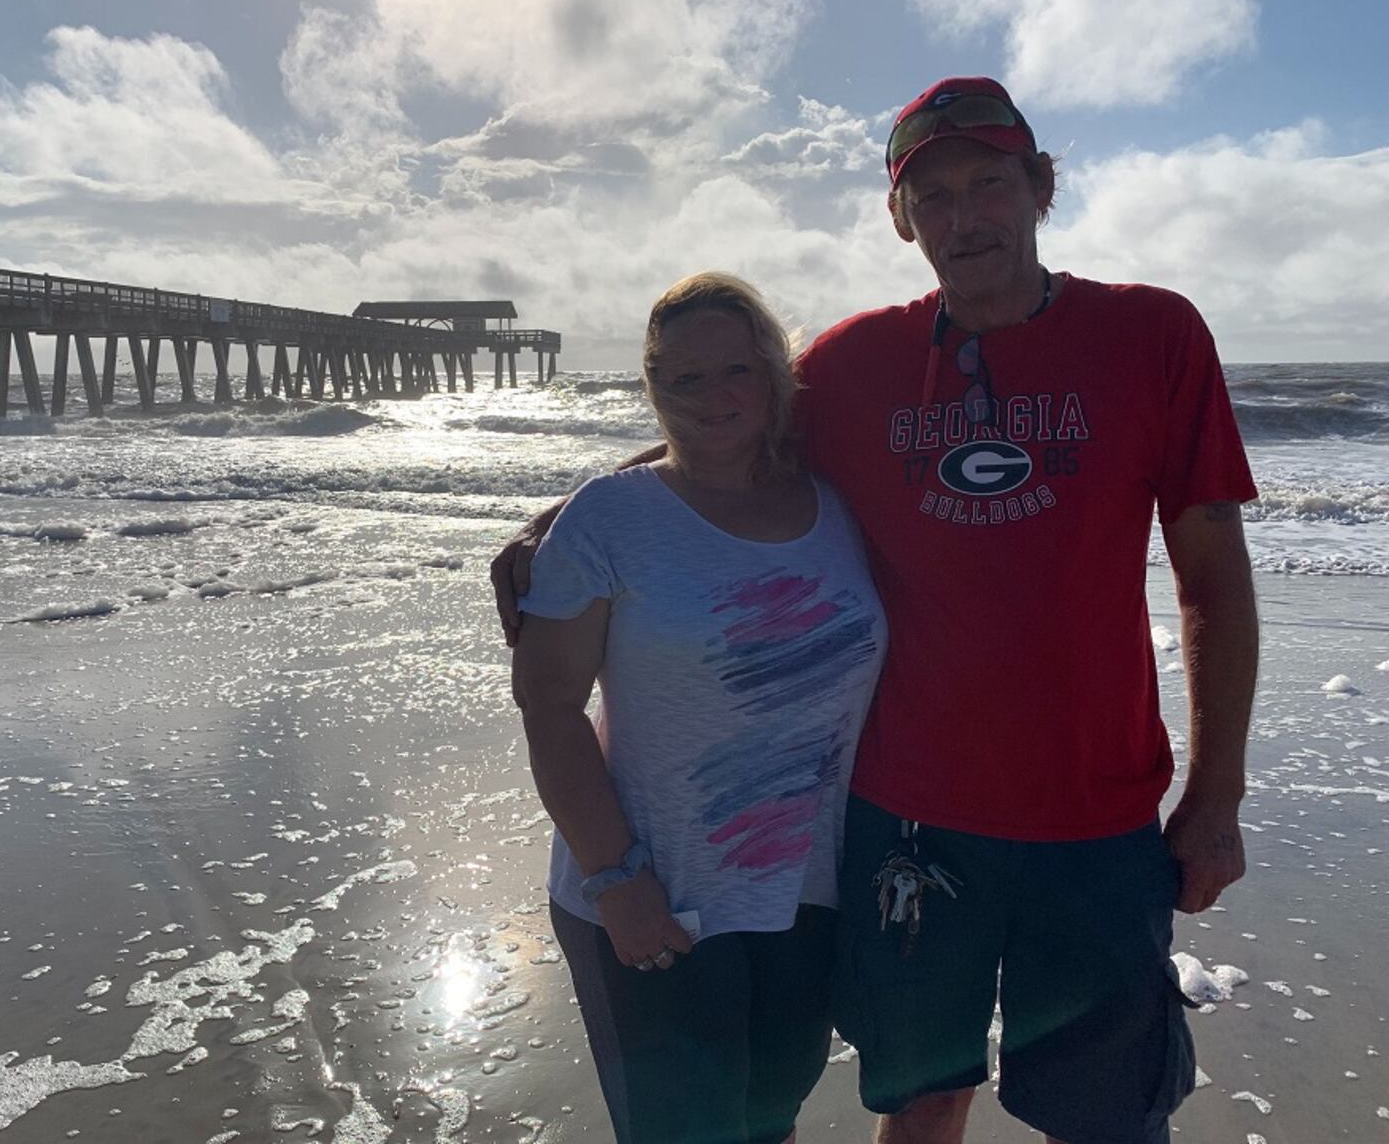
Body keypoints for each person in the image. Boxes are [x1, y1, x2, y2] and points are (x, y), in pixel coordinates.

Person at [496, 77, 1259, 1144]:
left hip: (1097, 814)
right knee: (923, 1092)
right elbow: (726, 427)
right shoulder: (858, 364)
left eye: (988, 184)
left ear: (1039, 188)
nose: (963, 217)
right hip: (906, 818)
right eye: (932, 196)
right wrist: (565, 523)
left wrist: (1215, 795)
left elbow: (1213, 578)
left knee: (1110, 1115)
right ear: (901, 219)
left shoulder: (1153, 336)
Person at [510, 272, 888, 1144]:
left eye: (738, 371)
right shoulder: (608, 518)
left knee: (770, 1117)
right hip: (652, 893)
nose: (716, 397)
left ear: (774, 376)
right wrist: (616, 883)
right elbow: (548, 702)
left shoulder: (837, 506)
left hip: (802, 895)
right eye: (686, 379)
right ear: (653, 388)